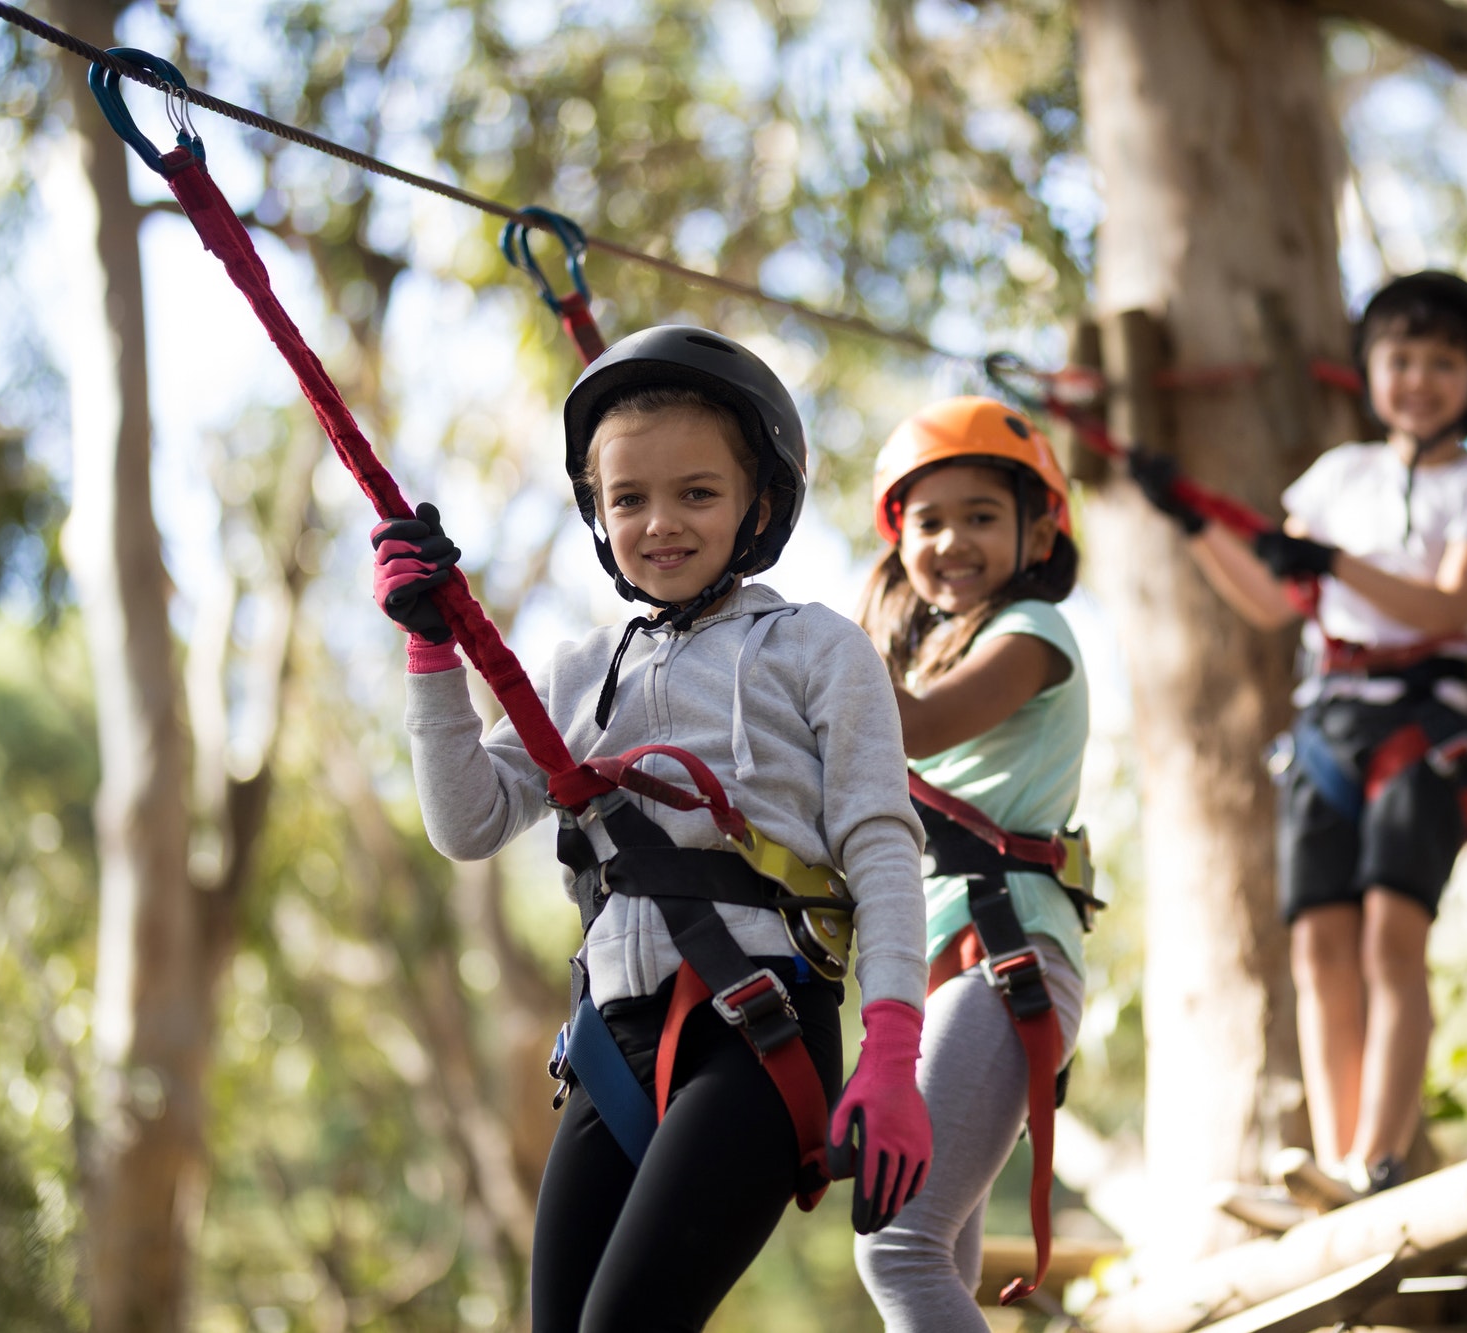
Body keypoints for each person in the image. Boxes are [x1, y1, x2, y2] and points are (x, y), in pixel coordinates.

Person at [370, 325, 934, 1330]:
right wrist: (430, 649)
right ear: (596, 512)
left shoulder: (813, 649)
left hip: (758, 1026)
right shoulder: (578, 674)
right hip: (609, 1041)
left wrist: (891, 1051)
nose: (659, 523)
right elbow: (469, 819)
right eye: (627, 498)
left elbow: (880, 846)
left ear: (757, 505)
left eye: (697, 493)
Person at [1131, 272, 1467, 1198]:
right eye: (1400, 359)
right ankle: (1338, 1155)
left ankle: (1377, 1158)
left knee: (1394, 935)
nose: (1419, 379)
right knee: (1319, 947)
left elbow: (1448, 604)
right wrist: (1193, 518)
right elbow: (1275, 598)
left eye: (1443, 362)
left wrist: (1335, 561)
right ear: (1370, 372)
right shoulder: (1337, 480)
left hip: (1424, 724)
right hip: (1328, 722)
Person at [851, 398, 1094, 1328]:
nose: (953, 539)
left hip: (1006, 957)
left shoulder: (1033, 632)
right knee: (936, 1252)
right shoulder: (927, 652)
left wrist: (802, 651)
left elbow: (906, 723)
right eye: (930, 520)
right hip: (946, 972)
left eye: (981, 516)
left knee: (898, 1247)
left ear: (1038, 532)